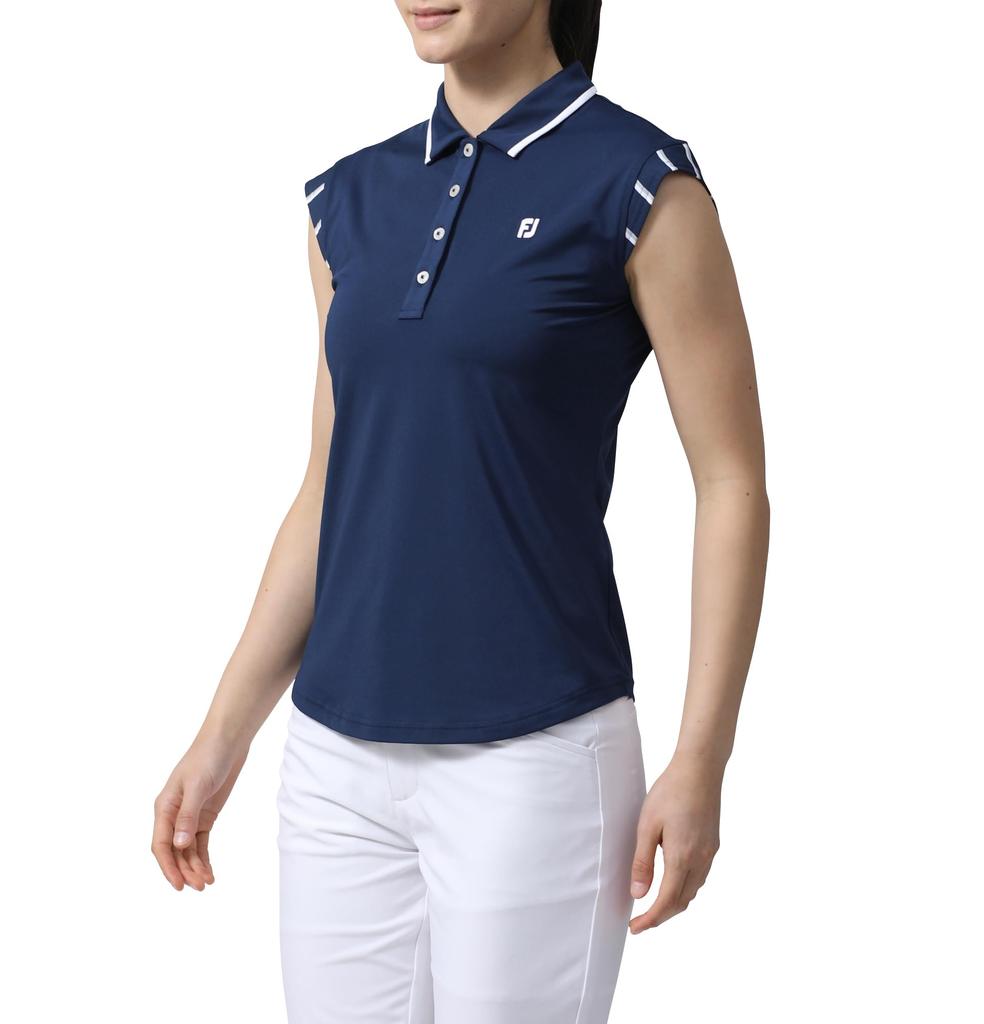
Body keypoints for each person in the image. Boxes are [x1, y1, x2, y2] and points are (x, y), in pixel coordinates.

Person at [151, 1, 769, 1020]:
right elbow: (329, 486)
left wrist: (702, 757)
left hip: (535, 757)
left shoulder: (641, 183)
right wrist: (223, 733)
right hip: (335, 761)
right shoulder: (348, 199)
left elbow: (731, 482)